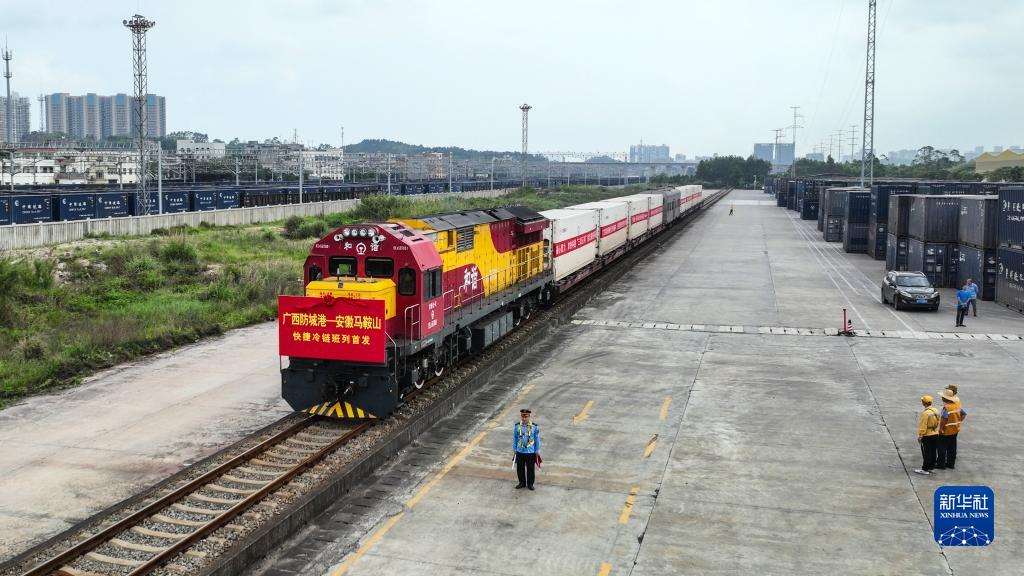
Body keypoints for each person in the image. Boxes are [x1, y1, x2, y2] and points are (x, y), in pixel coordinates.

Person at [936, 389, 966, 470]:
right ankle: (950, 464)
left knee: (941, 448)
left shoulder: (946, 408)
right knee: (952, 448)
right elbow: (963, 414)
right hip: (955, 430)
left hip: (946, 431)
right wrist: (958, 421)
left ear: (946, 399)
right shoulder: (957, 405)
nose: (941, 398)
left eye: (942, 397)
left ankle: (941, 464)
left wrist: (941, 429)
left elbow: (944, 419)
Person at [513, 409, 540, 490]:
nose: (524, 419)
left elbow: (537, 439)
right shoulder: (517, 426)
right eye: (523, 416)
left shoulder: (534, 427)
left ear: (529, 417)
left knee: (530, 469)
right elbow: (515, 438)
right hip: (520, 451)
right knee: (520, 468)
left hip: (530, 452)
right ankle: (522, 482)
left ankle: (530, 484)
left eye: (526, 417)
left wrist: (537, 451)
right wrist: (514, 449)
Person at [914, 395, 940, 475]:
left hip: (928, 435)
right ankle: (931, 467)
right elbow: (939, 421)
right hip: (935, 433)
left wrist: (920, 435)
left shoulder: (925, 413)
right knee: (933, 451)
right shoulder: (936, 410)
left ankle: (925, 468)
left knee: (927, 452)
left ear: (923, 403)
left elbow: (923, 426)